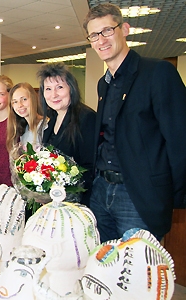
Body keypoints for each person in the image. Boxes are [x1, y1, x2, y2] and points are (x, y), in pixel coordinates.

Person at [83, 3, 186, 242]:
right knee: (103, 268)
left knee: (140, 274)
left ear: (125, 29)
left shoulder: (158, 72)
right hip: (102, 191)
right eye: (94, 35)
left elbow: (180, 140)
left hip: (138, 196)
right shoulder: (103, 83)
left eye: (107, 31)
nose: (101, 40)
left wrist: (176, 197)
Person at [37, 63, 96, 206]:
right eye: (48, 89)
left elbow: (90, 167)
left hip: (81, 202)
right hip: (58, 200)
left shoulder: (86, 117)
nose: (54, 95)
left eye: (60, 87)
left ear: (72, 88)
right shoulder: (52, 120)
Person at [6, 82, 44, 152]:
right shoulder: (24, 130)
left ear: (33, 99)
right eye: (15, 102)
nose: (20, 105)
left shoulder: (46, 126)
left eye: (24, 99)